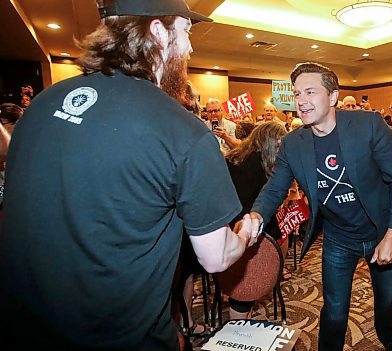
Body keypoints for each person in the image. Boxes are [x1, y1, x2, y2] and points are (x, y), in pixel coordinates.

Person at [0, 1, 257, 350]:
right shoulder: (183, 131)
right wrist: (245, 234)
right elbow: (216, 256)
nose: (191, 47)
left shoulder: (43, 103)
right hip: (119, 336)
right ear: (157, 32)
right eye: (185, 31)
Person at [249, 62, 392, 351]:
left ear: (333, 97)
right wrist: (255, 215)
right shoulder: (292, 143)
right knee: (335, 310)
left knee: (387, 300)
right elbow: (275, 188)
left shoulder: (369, 125)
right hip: (338, 239)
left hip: (380, 232)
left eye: (310, 91)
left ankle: (388, 337)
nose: (301, 100)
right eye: (298, 93)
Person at [225, 121, 287, 320]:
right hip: (246, 228)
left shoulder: (241, 156)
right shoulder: (254, 164)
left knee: (244, 284)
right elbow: (243, 203)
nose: (281, 150)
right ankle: (237, 331)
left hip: (237, 227)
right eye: (278, 145)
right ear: (268, 143)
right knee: (245, 287)